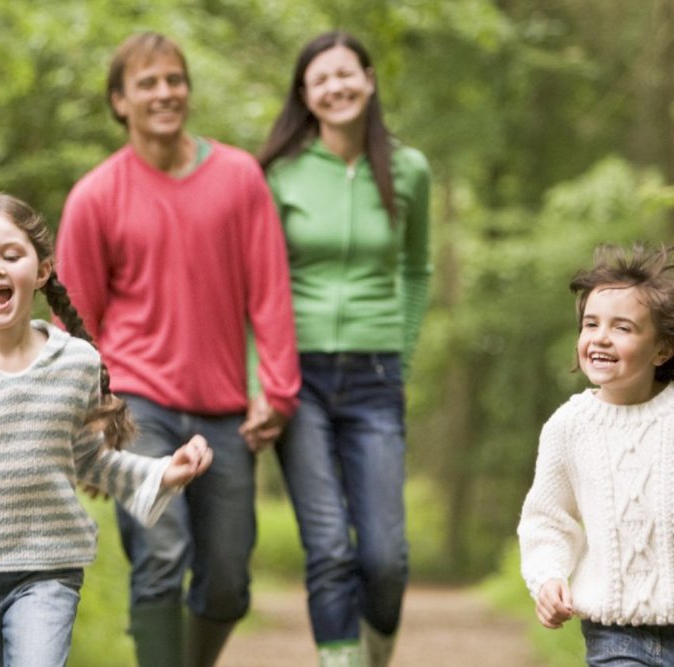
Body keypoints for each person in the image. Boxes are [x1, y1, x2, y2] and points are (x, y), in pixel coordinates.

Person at [54, 31, 300, 667]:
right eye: (148, 83)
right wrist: (89, 423)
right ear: (120, 102)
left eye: (174, 80)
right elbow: (75, 323)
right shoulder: (96, 195)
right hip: (137, 408)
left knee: (226, 581)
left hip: (223, 411)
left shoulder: (240, 177)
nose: (165, 93)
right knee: (162, 558)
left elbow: (270, 292)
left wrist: (276, 391)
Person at [0, 193, 213, 667]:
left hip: (47, 572)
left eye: (11, 255)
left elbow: (85, 459)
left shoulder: (74, 362)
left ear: (41, 271)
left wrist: (162, 474)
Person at [255, 30, 433, 667]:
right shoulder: (281, 173)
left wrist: (401, 356)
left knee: (384, 556)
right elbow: (260, 283)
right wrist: (262, 380)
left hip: (376, 376)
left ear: (370, 78)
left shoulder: (409, 170)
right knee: (329, 546)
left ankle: (374, 654)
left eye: (345, 74)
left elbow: (417, 271)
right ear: (305, 96)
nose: (335, 87)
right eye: (320, 79)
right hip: (295, 378)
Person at [517, 244, 674, 666]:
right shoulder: (569, 426)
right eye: (590, 324)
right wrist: (548, 579)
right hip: (613, 635)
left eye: (622, 328)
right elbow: (547, 520)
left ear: (662, 349)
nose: (600, 337)